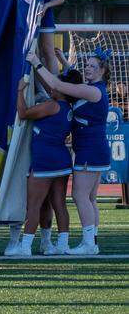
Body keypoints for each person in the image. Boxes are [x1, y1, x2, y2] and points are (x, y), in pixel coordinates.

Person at [30, 48, 110, 255]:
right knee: (90, 199)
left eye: (93, 66)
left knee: (79, 195)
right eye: (87, 65)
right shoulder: (93, 88)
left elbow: (57, 85)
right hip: (95, 149)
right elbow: (75, 79)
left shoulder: (93, 91)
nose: (88, 68)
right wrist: (64, 62)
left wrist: (35, 61)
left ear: (102, 70)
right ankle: (92, 241)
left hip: (89, 151)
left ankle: (88, 244)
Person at [9, 75, 75, 256]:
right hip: (61, 160)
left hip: (45, 161)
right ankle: (62, 245)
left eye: (56, 85)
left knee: (34, 205)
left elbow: (23, 113)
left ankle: (25, 247)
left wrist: (20, 90)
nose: (52, 87)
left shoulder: (52, 106)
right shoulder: (67, 107)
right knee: (59, 205)